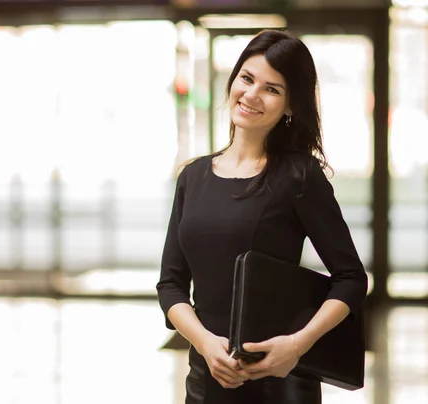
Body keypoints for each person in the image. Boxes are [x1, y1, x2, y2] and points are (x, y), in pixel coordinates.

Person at [156, 29, 368, 404]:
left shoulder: (299, 176)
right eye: (247, 78)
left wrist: (296, 345)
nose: (252, 95)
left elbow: (350, 279)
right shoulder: (193, 176)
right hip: (207, 381)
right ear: (233, 80)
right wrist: (205, 344)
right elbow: (170, 285)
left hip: (280, 383)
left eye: (272, 89)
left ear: (290, 106)